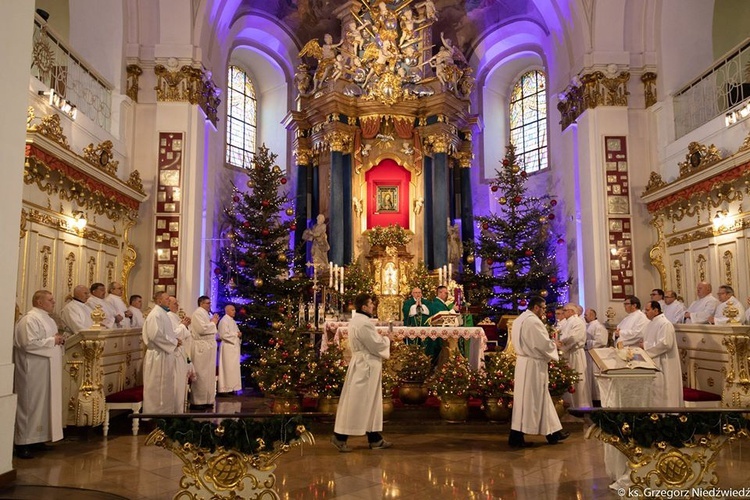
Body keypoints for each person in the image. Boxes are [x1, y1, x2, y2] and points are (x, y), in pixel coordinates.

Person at [331, 293, 392, 452]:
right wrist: (387, 339)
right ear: (364, 307)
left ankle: (375, 439)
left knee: (369, 402)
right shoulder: (363, 323)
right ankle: (339, 436)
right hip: (365, 366)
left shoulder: (359, 320)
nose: (373, 306)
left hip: (366, 365)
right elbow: (375, 344)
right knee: (357, 403)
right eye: (371, 303)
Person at [509, 296, 569, 448]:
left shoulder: (520, 319)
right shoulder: (533, 321)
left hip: (524, 363)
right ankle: (516, 437)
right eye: (543, 308)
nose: (544, 311)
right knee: (532, 400)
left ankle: (553, 433)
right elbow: (542, 344)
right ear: (536, 307)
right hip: (533, 365)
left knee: (538, 399)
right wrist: (553, 344)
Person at [14, 290, 65, 459]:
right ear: (39, 301)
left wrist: (58, 340)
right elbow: (27, 344)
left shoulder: (48, 319)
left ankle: (38, 438)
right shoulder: (29, 319)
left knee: (43, 404)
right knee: (30, 404)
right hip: (33, 370)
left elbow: (50, 338)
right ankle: (23, 443)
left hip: (46, 369)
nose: (54, 302)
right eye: (50, 300)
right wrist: (53, 341)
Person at [142, 291, 182, 414]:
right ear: (159, 301)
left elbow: (166, 333)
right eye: (167, 300)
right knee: (155, 387)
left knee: (164, 387)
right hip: (157, 355)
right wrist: (174, 342)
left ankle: (165, 413)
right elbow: (155, 335)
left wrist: (174, 341)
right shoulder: (155, 315)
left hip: (164, 354)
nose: (169, 302)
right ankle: (153, 414)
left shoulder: (162, 313)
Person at [641, 301, 683, 407]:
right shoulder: (651, 323)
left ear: (656, 311)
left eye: (647, 310)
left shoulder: (665, 324)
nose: (645, 312)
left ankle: (666, 414)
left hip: (664, 362)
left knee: (664, 389)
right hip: (654, 360)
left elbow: (666, 343)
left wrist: (645, 346)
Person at [556, 303, 590, 408]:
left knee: (577, 379)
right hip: (568, 352)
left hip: (575, 353)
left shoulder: (577, 322)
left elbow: (574, 338)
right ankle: (569, 404)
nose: (563, 312)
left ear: (572, 311)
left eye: (565, 310)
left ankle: (580, 405)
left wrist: (561, 345)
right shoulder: (567, 322)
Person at [190, 295, 219, 409]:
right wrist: (213, 322)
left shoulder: (205, 314)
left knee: (208, 374)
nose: (210, 305)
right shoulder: (198, 313)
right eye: (207, 303)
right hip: (201, 348)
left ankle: (207, 399)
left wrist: (212, 322)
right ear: (201, 303)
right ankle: (198, 401)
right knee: (201, 373)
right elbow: (202, 329)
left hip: (208, 348)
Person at [166, 296, 193, 411]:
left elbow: (185, 335)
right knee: (176, 383)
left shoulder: (175, 316)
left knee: (181, 383)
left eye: (177, 303)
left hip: (181, 352)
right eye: (174, 303)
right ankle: (175, 410)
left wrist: (184, 325)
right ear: (168, 304)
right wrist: (183, 325)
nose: (177, 305)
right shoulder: (168, 317)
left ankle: (180, 410)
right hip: (174, 354)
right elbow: (175, 335)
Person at [584, 308, 608, 403]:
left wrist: (586, 343)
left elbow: (601, 341)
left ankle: (598, 401)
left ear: (592, 315)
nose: (585, 317)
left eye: (586, 315)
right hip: (589, 355)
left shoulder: (599, 326)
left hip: (596, 356)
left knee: (595, 379)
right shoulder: (588, 326)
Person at [218, 304, 242, 395]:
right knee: (227, 368)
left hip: (233, 349)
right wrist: (236, 334)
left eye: (234, 310)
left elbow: (237, 333)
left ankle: (232, 388)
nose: (234, 311)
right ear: (227, 310)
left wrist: (238, 335)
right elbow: (223, 335)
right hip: (227, 348)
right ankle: (225, 389)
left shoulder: (232, 321)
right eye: (232, 310)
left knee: (232, 369)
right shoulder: (224, 321)